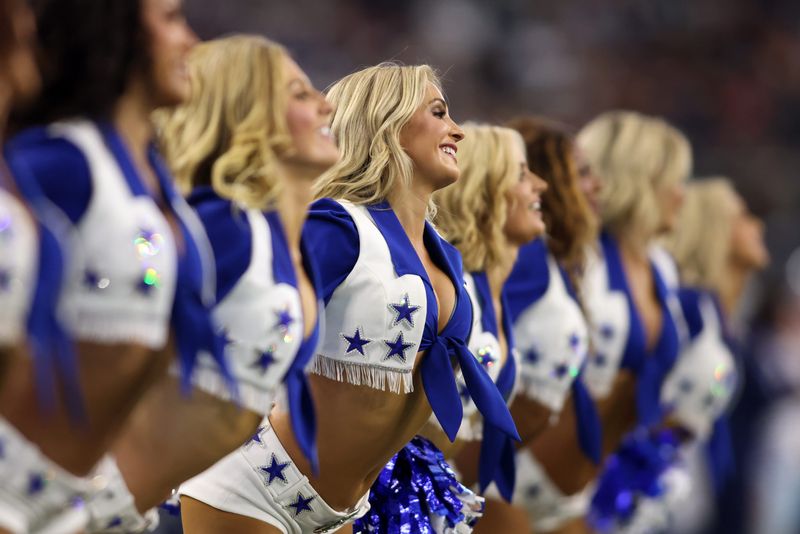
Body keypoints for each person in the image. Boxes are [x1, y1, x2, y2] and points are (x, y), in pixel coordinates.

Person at [181, 62, 518, 534]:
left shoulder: (448, 259)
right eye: (439, 113)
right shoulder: (339, 226)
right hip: (257, 488)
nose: (457, 130)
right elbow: (248, 313)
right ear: (389, 125)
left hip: (344, 510)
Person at [3, 0, 207, 530]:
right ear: (118, 31)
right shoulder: (64, 159)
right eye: (171, 19)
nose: (191, 41)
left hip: (76, 506)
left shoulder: (156, 180)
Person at [356, 122, 547, 533]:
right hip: (388, 496)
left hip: (433, 494)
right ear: (486, 189)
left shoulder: (490, 292)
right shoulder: (454, 289)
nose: (539, 186)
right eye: (521, 173)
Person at [526, 111, 690, 533]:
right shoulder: (577, 258)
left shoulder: (662, 268)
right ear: (639, 181)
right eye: (673, 181)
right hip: (524, 479)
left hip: (592, 491)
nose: (681, 196)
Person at [466, 117, 601, 534]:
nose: (596, 185)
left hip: (513, 476)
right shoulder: (525, 262)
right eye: (579, 173)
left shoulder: (555, 264)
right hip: (494, 483)